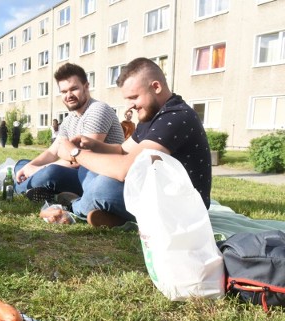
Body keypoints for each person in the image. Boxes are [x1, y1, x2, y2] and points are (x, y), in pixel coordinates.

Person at [42, 57, 211, 228]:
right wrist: (93, 145)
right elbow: (123, 150)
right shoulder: (152, 114)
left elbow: (123, 169)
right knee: (89, 169)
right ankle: (116, 215)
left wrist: (75, 153)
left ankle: (73, 208)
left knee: (103, 186)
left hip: (183, 209)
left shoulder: (176, 117)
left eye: (134, 97)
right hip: (157, 194)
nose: (129, 106)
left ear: (156, 87)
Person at [14, 63, 124, 203]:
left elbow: (82, 159)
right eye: (64, 91)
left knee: (50, 172)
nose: (69, 95)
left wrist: (37, 170)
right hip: (76, 170)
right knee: (21, 164)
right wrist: (30, 167)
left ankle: (18, 187)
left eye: (74, 89)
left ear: (86, 86)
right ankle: (39, 188)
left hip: (95, 175)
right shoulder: (69, 119)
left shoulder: (98, 110)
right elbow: (52, 152)